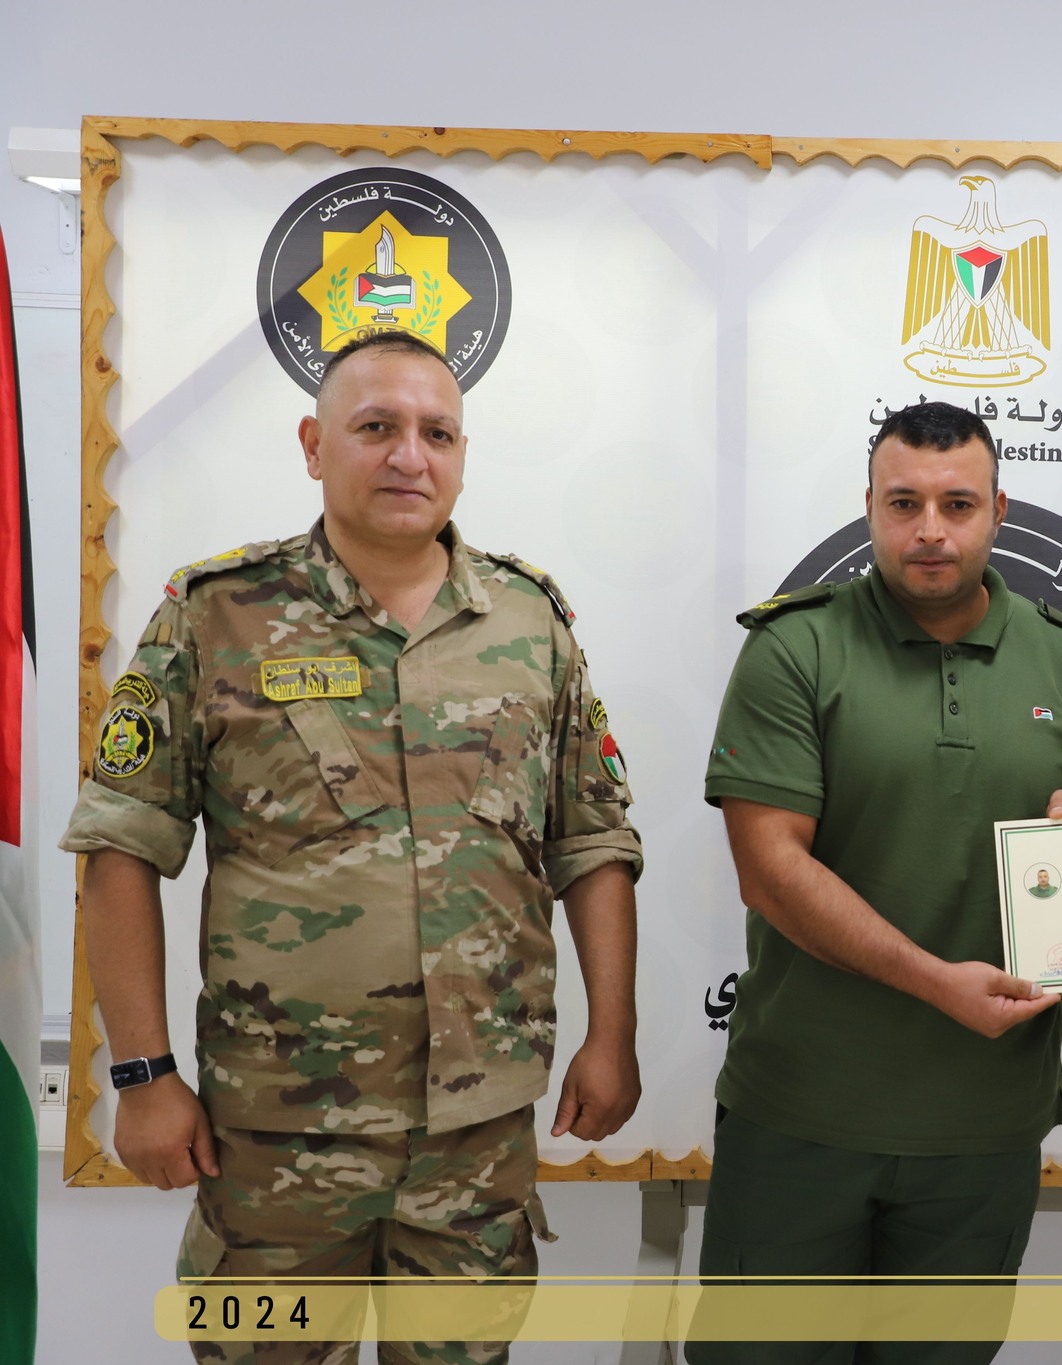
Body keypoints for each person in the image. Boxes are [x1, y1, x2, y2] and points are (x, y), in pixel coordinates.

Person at [61, 330, 643, 1364]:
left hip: (476, 1137)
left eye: (436, 433)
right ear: (313, 445)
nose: (408, 455)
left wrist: (613, 1035)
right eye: (376, 427)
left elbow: (591, 843)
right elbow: (120, 851)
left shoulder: (530, 622)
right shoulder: (216, 616)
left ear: (461, 454)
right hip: (274, 1140)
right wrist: (144, 1075)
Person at [692, 400, 1062, 1364]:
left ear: (999, 511)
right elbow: (769, 868)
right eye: (904, 503)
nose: (931, 529)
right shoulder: (796, 648)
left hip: (984, 1127)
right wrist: (936, 982)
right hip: (800, 1117)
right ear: (869, 507)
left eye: (958, 504)